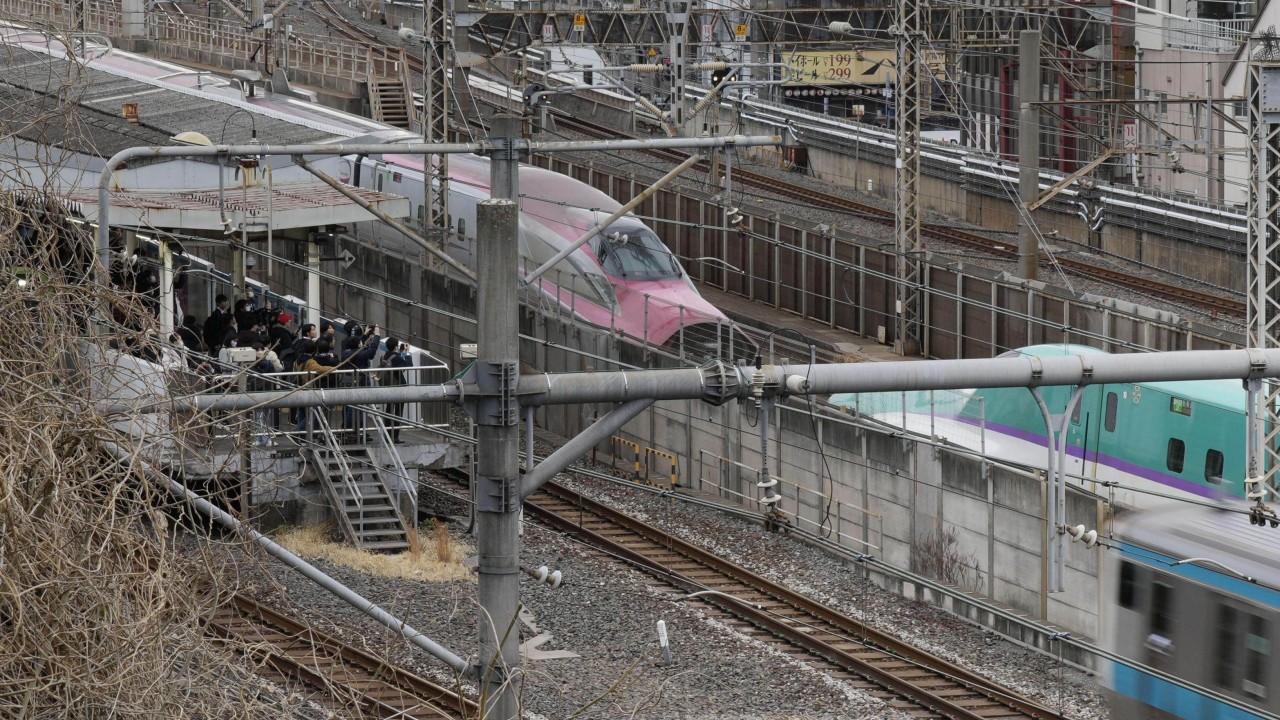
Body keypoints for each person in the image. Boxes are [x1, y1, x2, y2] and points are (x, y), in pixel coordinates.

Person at [380, 338, 413, 442]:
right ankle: (394, 437)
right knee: (398, 412)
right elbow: (408, 366)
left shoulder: (386, 355)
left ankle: (387, 435)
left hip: (389, 386)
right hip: (398, 387)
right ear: (395, 347)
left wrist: (400, 352)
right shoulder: (397, 358)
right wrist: (407, 354)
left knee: (389, 410)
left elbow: (395, 360)